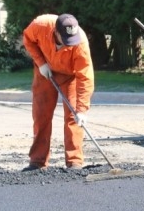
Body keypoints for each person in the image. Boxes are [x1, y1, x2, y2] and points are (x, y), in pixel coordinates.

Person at [22, 13, 94, 170]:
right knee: (41, 115)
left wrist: (82, 110)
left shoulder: (80, 43)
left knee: (73, 117)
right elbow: (28, 40)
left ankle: (74, 161)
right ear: (56, 32)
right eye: (66, 40)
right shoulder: (40, 25)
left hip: (70, 75)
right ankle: (38, 161)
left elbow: (85, 78)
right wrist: (41, 63)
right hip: (45, 72)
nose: (70, 44)